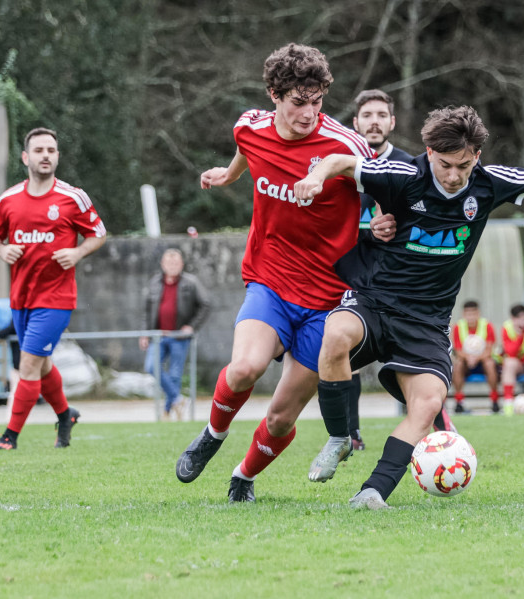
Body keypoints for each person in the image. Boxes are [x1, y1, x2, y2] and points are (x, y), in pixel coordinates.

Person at [294, 105, 524, 508]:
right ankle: (339, 437)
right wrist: (314, 177)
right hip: (375, 300)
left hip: (428, 321)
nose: (454, 176)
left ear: (477, 156)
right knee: (334, 336)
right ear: (428, 151)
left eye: (464, 165)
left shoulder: (490, 183)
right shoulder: (404, 175)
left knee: (427, 403)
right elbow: (339, 162)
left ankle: (373, 491)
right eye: (445, 164)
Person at [174, 43, 390, 503]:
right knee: (245, 368)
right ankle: (212, 435)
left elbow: (387, 185)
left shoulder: (344, 145)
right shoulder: (249, 126)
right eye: (298, 103)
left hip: (328, 299)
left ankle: (243, 477)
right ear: (275, 95)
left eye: (317, 102)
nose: (309, 113)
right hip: (270, 278)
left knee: (280, 418)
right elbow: (245, 149)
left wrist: (388, 221)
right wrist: (230, 176)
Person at [0, 127, 106, 449]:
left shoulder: (72, 197)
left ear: (58, 156)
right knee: (43, 364)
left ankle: (10, 436)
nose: (46, 155)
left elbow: (99, 234)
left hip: (56, 299)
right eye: (39, 150)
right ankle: (66, 415)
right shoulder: (7, 200)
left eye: (51, 150)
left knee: (27, 365)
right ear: (26, 157)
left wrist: (78, 251)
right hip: (21, 298)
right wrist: (1, 249)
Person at [348, 89, 418, 450]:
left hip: (397, 283)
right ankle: (350, 433)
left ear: (392, 122)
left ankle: (436, 430)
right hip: (350, 280)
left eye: (381, 115)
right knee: (343, 354)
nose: (374, 121)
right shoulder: (342, 167)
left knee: (410, 361)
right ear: (355, 122)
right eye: (367, 115)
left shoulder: (409, 167)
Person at [139, 248, 211, 420]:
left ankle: (167, 411)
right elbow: (147, 311)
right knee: (151, 366)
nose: (172, 265)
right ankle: (178, 400)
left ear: (182, 265)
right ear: (163, 264)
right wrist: (145, 334)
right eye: (169, 262)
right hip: (159, 335)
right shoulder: (155, 282)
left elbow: (205, 305)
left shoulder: (190, 282)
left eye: (175, 262)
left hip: (179, 337)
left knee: (175, 374)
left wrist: (192, 326)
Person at [451, 300, 500, 413]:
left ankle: (494, 401)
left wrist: (476, 358)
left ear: (478, 313)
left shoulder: (487, 325)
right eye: (468, 314)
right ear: (463, 314)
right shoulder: (459, 327)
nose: (471, 317)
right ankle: (459, 402)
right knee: (457, 365)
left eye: (473, 313)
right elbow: (458, 350)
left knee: (490, 363)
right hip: (466, 362)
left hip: (482, 361)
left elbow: (489, 348)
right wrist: (468, 358)